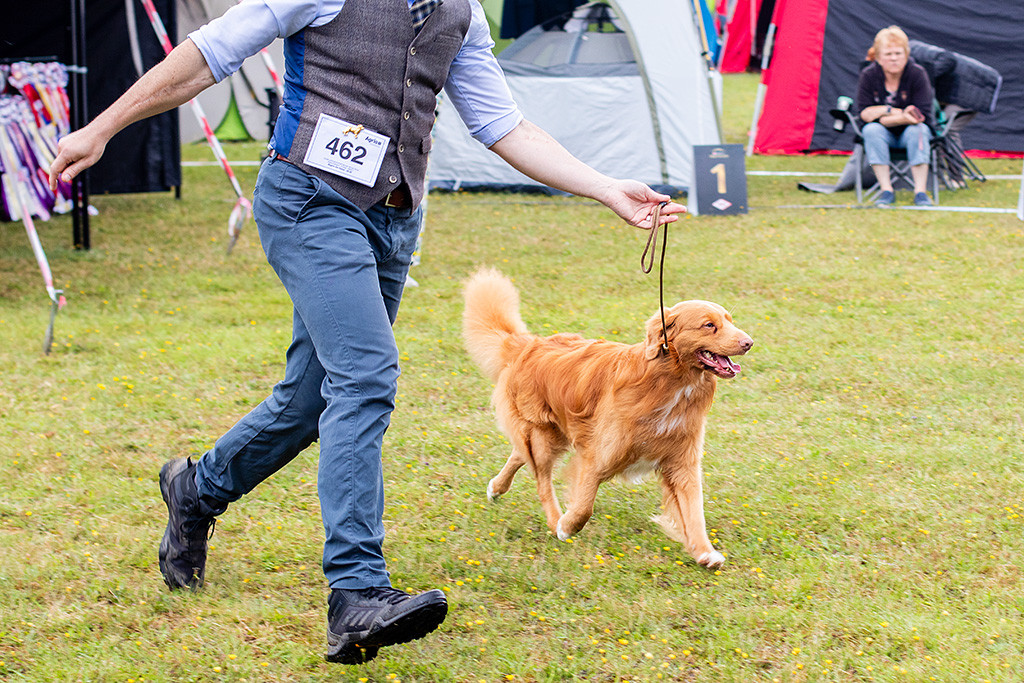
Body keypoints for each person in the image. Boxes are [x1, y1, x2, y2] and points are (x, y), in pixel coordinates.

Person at [48, 0, 685, 666]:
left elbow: (502, 124)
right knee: (366, 372)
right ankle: (355, 591)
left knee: (308, 399)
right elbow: (212, 52)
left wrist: (605, 187)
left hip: (390, 220)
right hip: (308, 202)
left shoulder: (462, 13)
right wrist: (104, 126)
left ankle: (197, 489)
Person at [856, 25, 934, 207]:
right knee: (871, 130)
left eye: (898, 54)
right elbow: (864, 114)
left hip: (911, 132)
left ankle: (920, 193)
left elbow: (919, 116)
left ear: (906, 54)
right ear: (878, 57)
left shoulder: (917, 74)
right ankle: (886, 191)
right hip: (882, 134)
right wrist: (896, 112)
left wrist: (883, 116)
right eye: (888, 54)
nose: (893, 59)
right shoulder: (868, 75)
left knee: (918, 130)